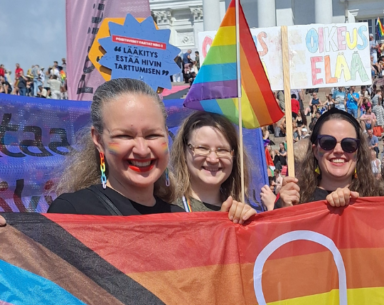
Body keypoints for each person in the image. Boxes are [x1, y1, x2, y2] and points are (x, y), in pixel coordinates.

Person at [48, 79, 183, 215]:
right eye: (125, 136)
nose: (142, 150)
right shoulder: (71, 212)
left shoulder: (182, 220)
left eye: (152, 135)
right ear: (99, 140)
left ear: (166, 135)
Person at [170, 111, 279, 218]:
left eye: (222, 150)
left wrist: (282, 209)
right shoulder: (168, 211)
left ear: (234, 155)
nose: (213, 159)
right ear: (184, 152)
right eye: (202, 148)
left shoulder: (243, 215)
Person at [292, 109, 384, 207]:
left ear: (358, 152)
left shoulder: (382, 202)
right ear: (316, 151)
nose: (338, 150)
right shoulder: (295, 201)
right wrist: (285, 210)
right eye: (328, 142)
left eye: (349, 144)